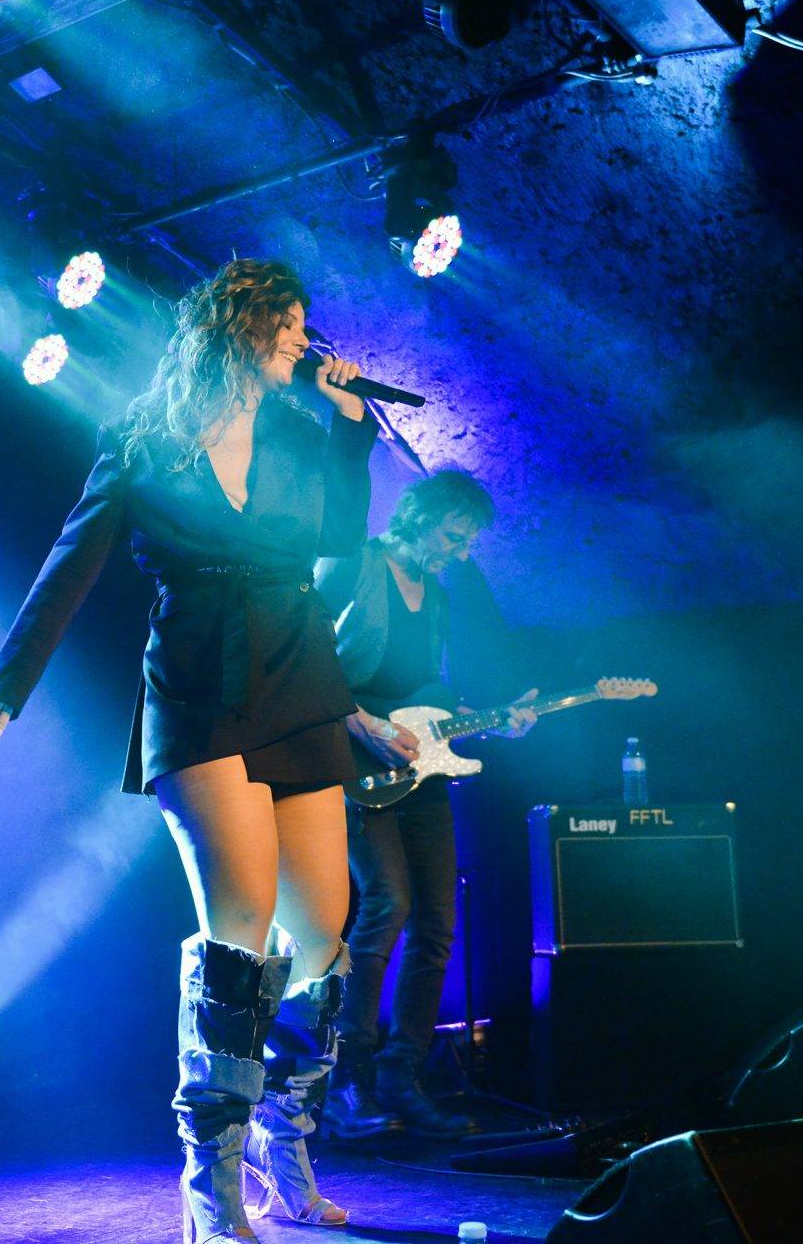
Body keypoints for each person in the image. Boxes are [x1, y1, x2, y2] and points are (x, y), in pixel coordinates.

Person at [0, 258, 377, 1241]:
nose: (301, 339)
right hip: (195, 682)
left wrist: (351, 435)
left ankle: (288, 1140)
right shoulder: (140, 435)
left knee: (320, 934)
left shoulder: (297, 424)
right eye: (287, 324)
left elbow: (340, 539)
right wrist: (10, 676)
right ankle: (212, 1180)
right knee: (239, 924)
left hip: (296, 670)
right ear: (237, 328)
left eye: (302, 325)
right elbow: (75, 552)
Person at [313, 469, 534, 1139]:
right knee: (388, 903)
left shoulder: (436, 595)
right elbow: (306, 657)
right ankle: (346, 1079)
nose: (460, 552)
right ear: (417, 513)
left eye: (468, 543)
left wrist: (486, 718)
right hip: (352, 762)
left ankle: (400, 1078)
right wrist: (365, 726)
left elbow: (424, 688)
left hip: (419, 772)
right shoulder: (352, 561)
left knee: (438, 920)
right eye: (453, 535)